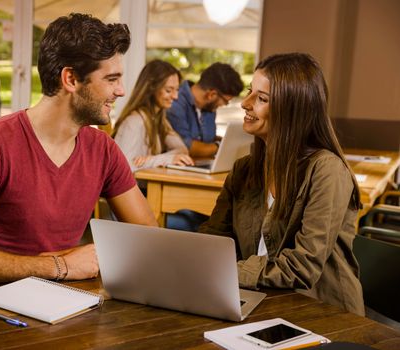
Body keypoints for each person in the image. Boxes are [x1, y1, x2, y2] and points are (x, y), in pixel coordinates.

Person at [0, 13, 157, 283]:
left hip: (64, 302)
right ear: (71, 80)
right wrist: (60, 265)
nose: (121, 91)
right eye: (111, 79)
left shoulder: (103, 149)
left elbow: (148, 233)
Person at [198, 53, 365, 315]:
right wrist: (193, 259)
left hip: (321, 314)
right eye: (250, 92)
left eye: (261, 99)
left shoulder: (326, 171)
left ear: (292, 110)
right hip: (257, 303)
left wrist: (220, 269)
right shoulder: (243, 170)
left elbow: (302, 268)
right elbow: (214, 241)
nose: (245, 103)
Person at [113, 60, 193, 173]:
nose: (175, 97)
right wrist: (166, 159)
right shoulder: (135, 121)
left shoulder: (159, 119)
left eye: (177, 90)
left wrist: (152, 159)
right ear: (151, 88)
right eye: (168, 90)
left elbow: (183, 150)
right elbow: (122, 169)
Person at [167, 62, 243, 158]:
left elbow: (208, 141)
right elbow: (186, 147)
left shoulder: (209, 107)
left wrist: (227, 141)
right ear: (211, 95)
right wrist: (220, 146)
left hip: (203, 165)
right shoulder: (175, 102)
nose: (224, 105)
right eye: (225, 101)